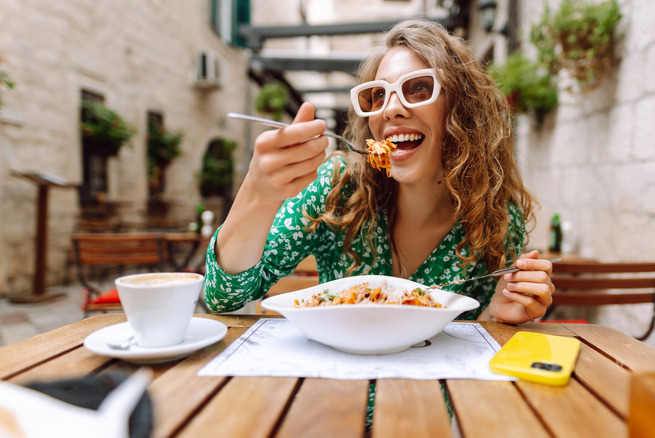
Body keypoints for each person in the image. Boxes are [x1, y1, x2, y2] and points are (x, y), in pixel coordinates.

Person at [203, 19, 554, 324]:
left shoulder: (496, 221)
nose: (391, 109)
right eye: (376, 95)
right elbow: (223, 298)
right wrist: (257, 193)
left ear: (463, 110)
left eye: (419, 88)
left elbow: (475, 339)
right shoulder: (338, 188)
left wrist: (498, 313)